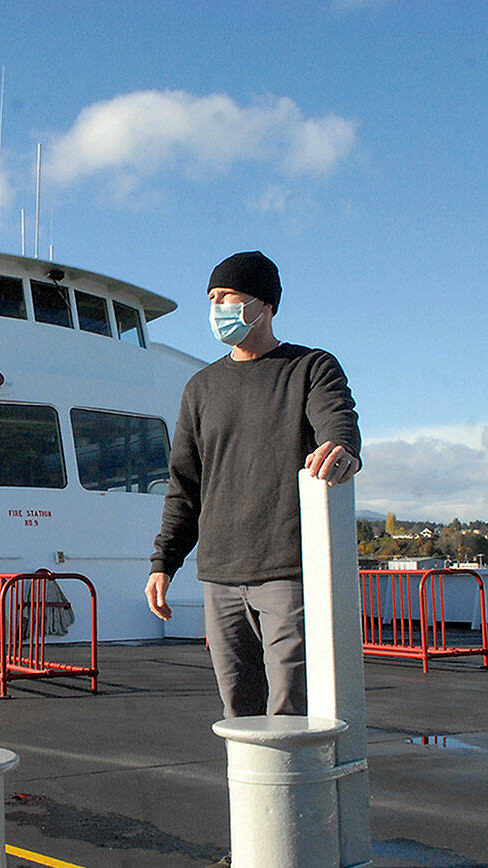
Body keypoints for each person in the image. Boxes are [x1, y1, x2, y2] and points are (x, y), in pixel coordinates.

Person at [146, 250, 360, 721]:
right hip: (220, 575)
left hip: (286, 572)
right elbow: (184, 484)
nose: (217, 307)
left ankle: (294, 795)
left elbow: (337, 419)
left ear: (263, 305)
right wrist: (164, 562)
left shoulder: (310, 368)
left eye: (228, 296)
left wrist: (340, 447)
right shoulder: (201, 388)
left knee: (291, 708)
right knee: (238, 711)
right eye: (212, 298)